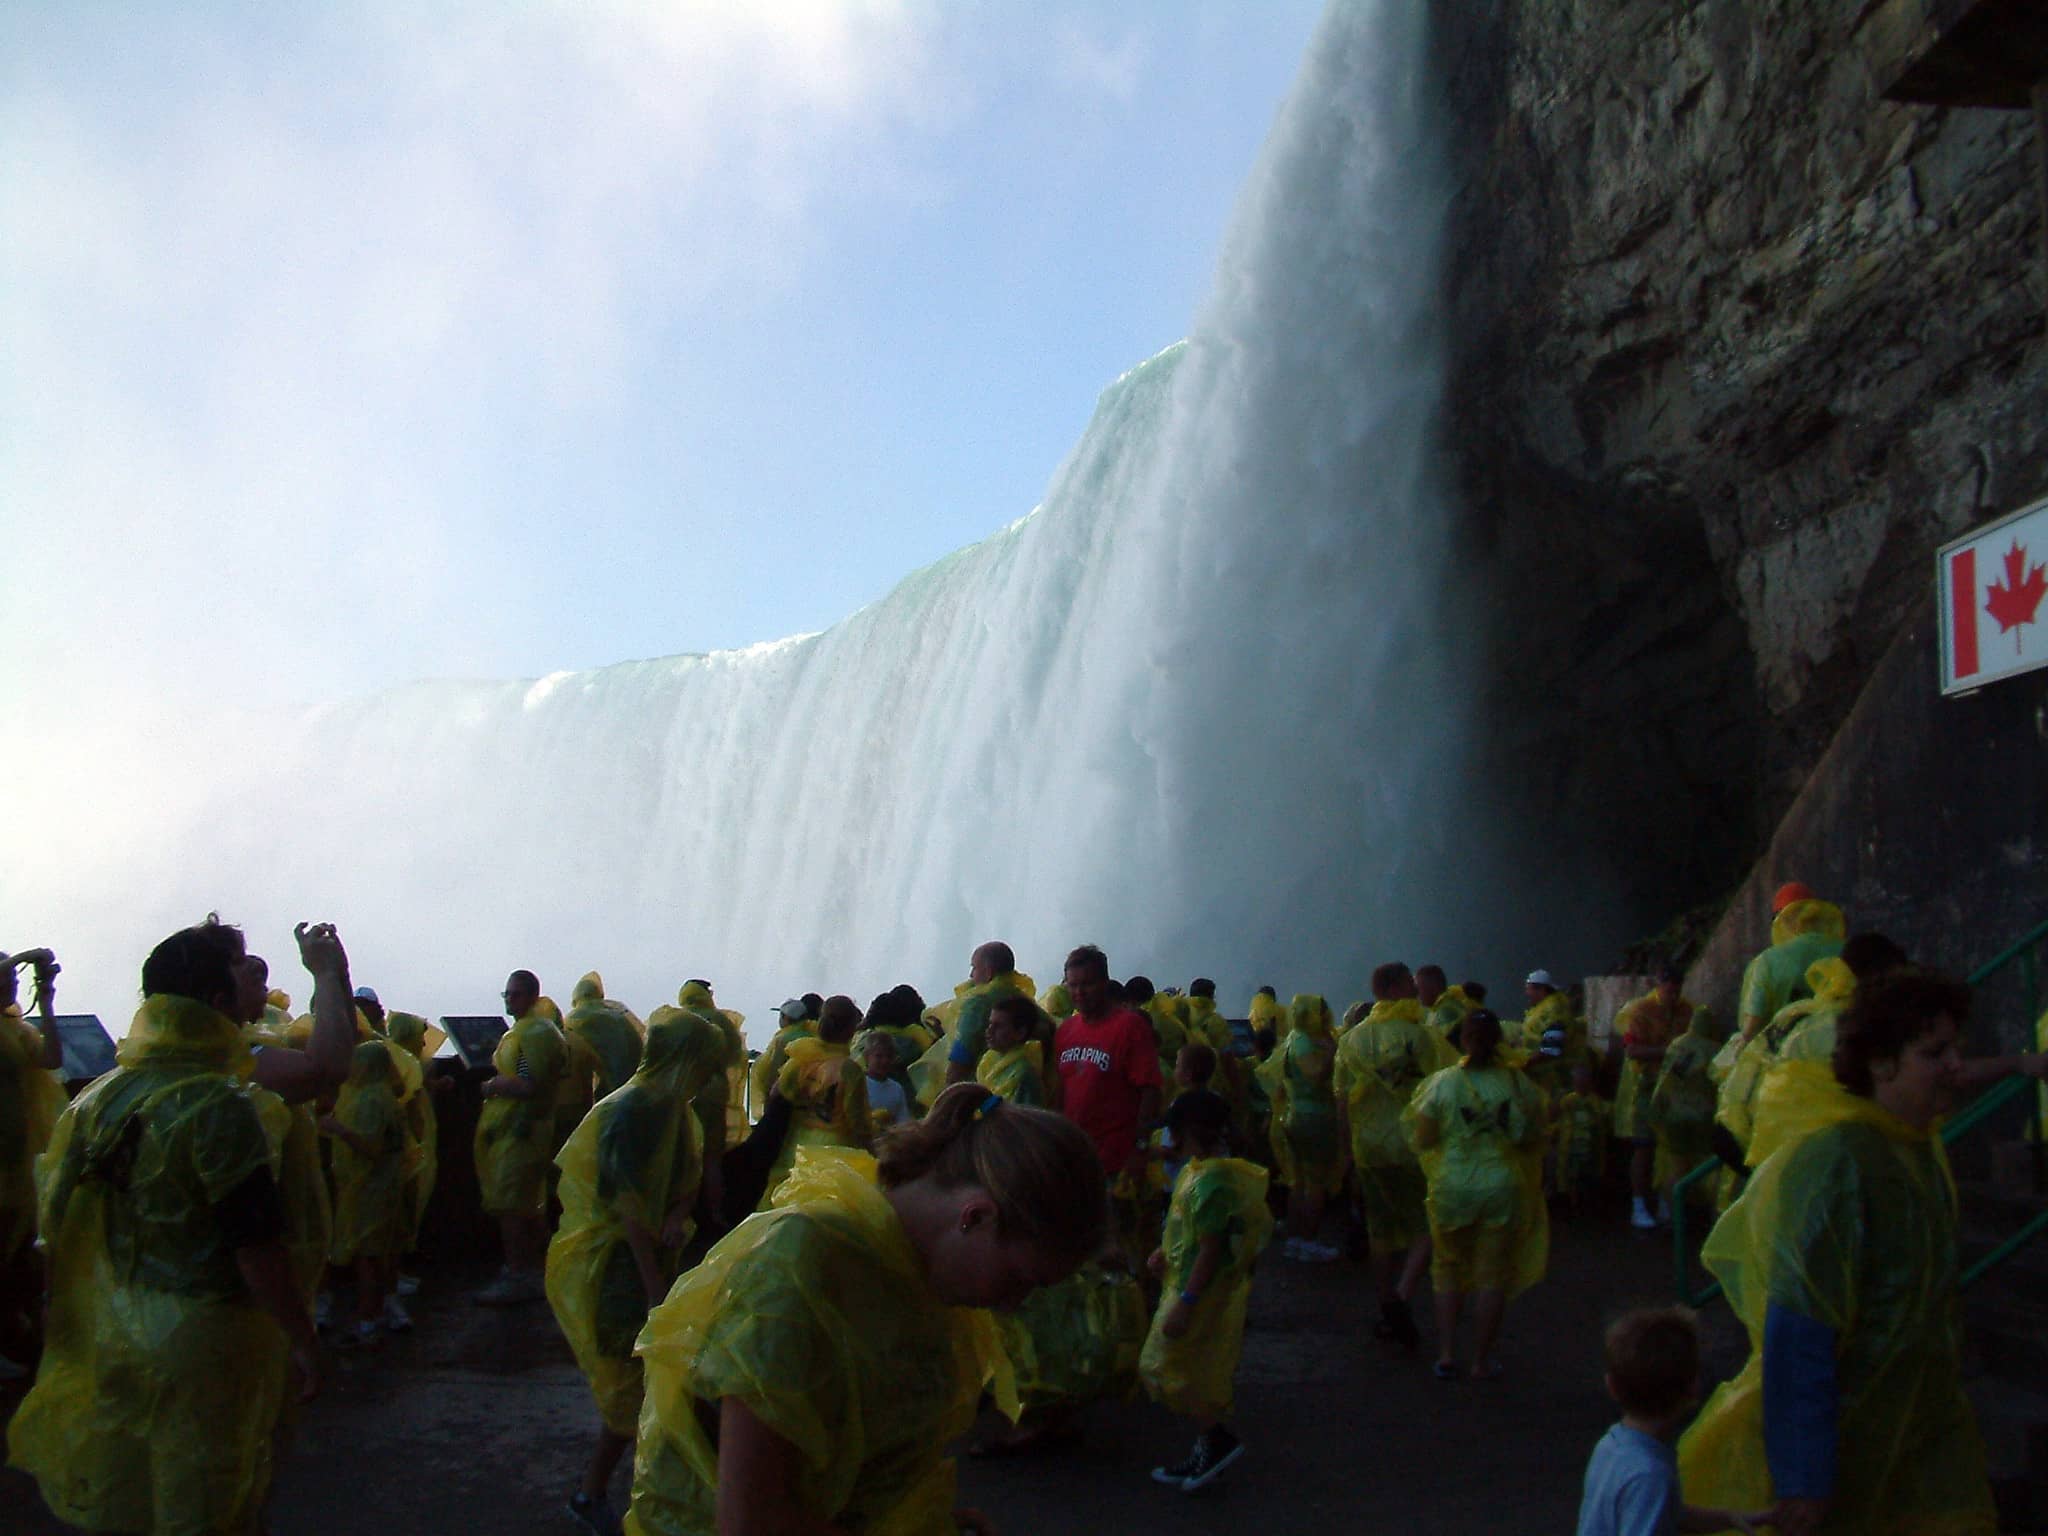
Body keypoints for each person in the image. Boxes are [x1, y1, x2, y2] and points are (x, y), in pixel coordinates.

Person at [624, 1082, 1107, 1536]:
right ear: (976, 1216)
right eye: (1019, 1280)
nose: (1010, 1305)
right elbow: (752, 1521)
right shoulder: (801, 1266)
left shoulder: (914, 1272)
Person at [8, 919, 346, 1536]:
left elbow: (59, 1228)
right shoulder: (221, 1105)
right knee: (212, 1501)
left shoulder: (99, 1097)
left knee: (132, 1496)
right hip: (205, 1343)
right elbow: (256, 1249)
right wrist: (303, 1338)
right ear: (217, 1004)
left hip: (116, 1334)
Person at [1679, 971, 2048, 1535]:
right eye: (1935, 1053)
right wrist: (1804, 1477)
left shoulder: (1913, 1144)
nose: (1955, 1066)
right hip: (1848, 1449)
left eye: (1957, 1049)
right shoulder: (1838, 1163)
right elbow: (1800, 1329)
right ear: (1880, 1063)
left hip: (1917, 1435)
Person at [549, 1006, 727, 1536]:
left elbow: (686, 1176)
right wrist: (656, 1292)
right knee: (631, 1392)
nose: (710, 1076)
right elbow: (626, 1208)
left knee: (657, 1384)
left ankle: (655, 1492)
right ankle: (593, 1495)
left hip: (648, 1260)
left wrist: (675, 1215)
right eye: (704, 1064)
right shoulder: (629, 1112)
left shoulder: (673, 1107)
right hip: (612, 1270)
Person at [1141, 1088, 1273, 1493]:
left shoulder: (1213, 1180)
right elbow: (1193, 1235)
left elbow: (1212, 1249)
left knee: (1169, 1367)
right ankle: (1207, 1443)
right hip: (1183, 1283)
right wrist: (1164, 1256)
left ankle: (1215, 1439)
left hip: (1195, 1292)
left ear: (1188, 1131)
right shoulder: (1199, 1170)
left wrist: (1187, 1301)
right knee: (1182, 1367)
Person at [1407, 1008, 1548, 1381]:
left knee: (1448, 1269)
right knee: (1492, 1276)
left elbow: (1422, 1138)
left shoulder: (1442, 1084)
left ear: (1462, 1040)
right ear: (1499, 1041)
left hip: (1452, 1188)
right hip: (1502, 1186)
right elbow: (1532, 1134)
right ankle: (1481, 1361)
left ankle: (1447, 1354)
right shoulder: (1516, 1084)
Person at [1335, 961, 1455, 1348]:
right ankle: (1402, 1295)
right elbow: (1447, 1086)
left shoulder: (1352, 1039)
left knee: (1381, 1231)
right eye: (1409, 982)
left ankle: (1386, 1303)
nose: (1416, 988)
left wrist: (1346, 1151)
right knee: (1429, 1223)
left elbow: (1341, 1101)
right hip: (1414, 1145)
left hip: (1370, 1147)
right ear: (1396, 986)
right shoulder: (1422, 1035)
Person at [1578, 1308, 1769, 1535]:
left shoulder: (1610, 1447)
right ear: (1693, 1390)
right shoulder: (1650, 1476)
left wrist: (1730, 1518)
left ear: (1612, 1386)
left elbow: (1668, 1513)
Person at [1055, 944, 1164, 1277]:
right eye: (1072, 985)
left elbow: (1150, 1089)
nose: (1079, 992)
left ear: (1104, 982)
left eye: (1086, 984)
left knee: (1126, 1251)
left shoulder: (1130, 1027)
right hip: (1078, 1159)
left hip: (1117, 1159)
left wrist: (1141, 1147)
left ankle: (1142, 1313)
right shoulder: (1066, 1031)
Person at [476, 968, 570, 1305]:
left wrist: (494, 1085)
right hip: (526, 1129)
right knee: (529, 1203)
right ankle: (536, 1269)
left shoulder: (533, 1034)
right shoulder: (539, 1031)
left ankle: (519, 1273)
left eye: (515, 994)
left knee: (512, 1205)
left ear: (532, 995)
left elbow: (530, 1084)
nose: (509, 1000)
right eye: (507, 994)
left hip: (520, 1130)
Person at [321, 1037, 414, 1347]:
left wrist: (339, 1130)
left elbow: (370, 1148)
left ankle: (367, 1319)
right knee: (383, 1254)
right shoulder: (385, 1095)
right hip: (385, 1185)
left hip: (369, 1188)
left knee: (368, 1258)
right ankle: (387, 1309)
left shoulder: (369, 1101)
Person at [0, 945, 64, 1372]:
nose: (13, 984)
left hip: (21, 1164)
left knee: (22, 1260)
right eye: (9, 978)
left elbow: (53, 1058)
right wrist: (18, 957)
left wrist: (47, 998)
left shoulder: (17, 1028)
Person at [758, 994, 870, 1209]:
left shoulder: (800, 1058)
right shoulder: (850, 1070)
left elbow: (776, 1095)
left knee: (784, 1203)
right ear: (850, 1030)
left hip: (795, 1144)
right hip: (835, 1148)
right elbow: (859, 1122)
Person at [1262, 993, 1345, 1262]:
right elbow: (1316, 1076)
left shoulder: (1292, 1038)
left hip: (1294, 1113)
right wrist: (1333, 1053)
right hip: (1315, 1117)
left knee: (1297, 1182)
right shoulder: (1306, 1042)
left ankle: (1295, 1238)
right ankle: (1308, 1240)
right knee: (1315, 1183)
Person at [1615, 967, 1694, 1230]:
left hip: (1676, 1087)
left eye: (1677, 990)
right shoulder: (1641, 1011)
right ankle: (1638, 1205)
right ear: (1659, 985)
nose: (1673, 995)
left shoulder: (1686, 1011)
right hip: (1648, 1086)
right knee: (1644, 1145)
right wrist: (1669, 1051)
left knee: (1671, 1147)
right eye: (1668, 989)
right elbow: (1633, 1050)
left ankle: (1665, 1200)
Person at [1735, 884, 1845, 1042]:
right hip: (1844, 1044)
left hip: (1787, 1054)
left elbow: (1751, 1027)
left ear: (1781, 919)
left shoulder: (1766, 961)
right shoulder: (1847, 949)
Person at [1649, 1007, 1725, 1216]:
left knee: (1676, 1168)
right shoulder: (1715, 1049)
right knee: (1709, 1169)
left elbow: (1665, 1080)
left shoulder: (1677, 1045)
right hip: (1702, 1118)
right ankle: (1712, 1217)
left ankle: (1671, 1216)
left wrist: (1657, 1111)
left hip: (1673, 1115)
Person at [943, 940, 1037, 1088]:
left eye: (974, 968)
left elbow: (962, 1053)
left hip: (977, 1091)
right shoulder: (1024, 1000)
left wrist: (947, 1096)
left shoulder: (978, 1002)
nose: (971, 974)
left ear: (988, 972)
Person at [567, 972, 646, 1104]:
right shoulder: (621, 1014)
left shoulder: (574, 1020)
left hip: (611, 1097)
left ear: (575, 1000)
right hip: (637, 1091)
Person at [1555, 1060, 1613, 1217]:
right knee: (1571, 1177)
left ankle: (1588, 1205)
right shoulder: (1567, 1101)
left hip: (1591, 1149)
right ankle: (1572, 1205)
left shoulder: (1597, 1103)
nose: (1581, 1085)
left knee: (1590, 1178)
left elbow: (1606, 1116)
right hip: (1571, 1148)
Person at [976, 994, 1049, 1108]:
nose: (989, 1030)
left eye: (998, 1026)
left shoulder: (1024, 1075)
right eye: (990, 1023)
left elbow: (1028, 1120)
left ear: (1020, 1033)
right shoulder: (988, 1061)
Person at [861, 1030, 914, 1126]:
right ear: (866, 1057)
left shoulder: (897, 1089)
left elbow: (903, 1122)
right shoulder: (859, 1084)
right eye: (879, 1056)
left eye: (889, 1056)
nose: (885, 1061)